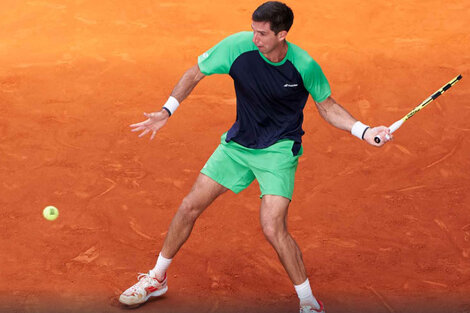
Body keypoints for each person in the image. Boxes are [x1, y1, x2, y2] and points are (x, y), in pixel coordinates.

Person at [120, 1, 392, 312]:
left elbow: (327, 106)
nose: (254, 38)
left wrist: (363, 130)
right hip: (238, 145)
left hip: (278, 150)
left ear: (282, 35)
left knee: (273, 226)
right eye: (253, 30)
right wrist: (168, 109)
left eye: (262, 33)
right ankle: (156, 279)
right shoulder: (238, 47)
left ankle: (308, 302)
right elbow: (196, 72)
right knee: (188, 206)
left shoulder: (303, 65)